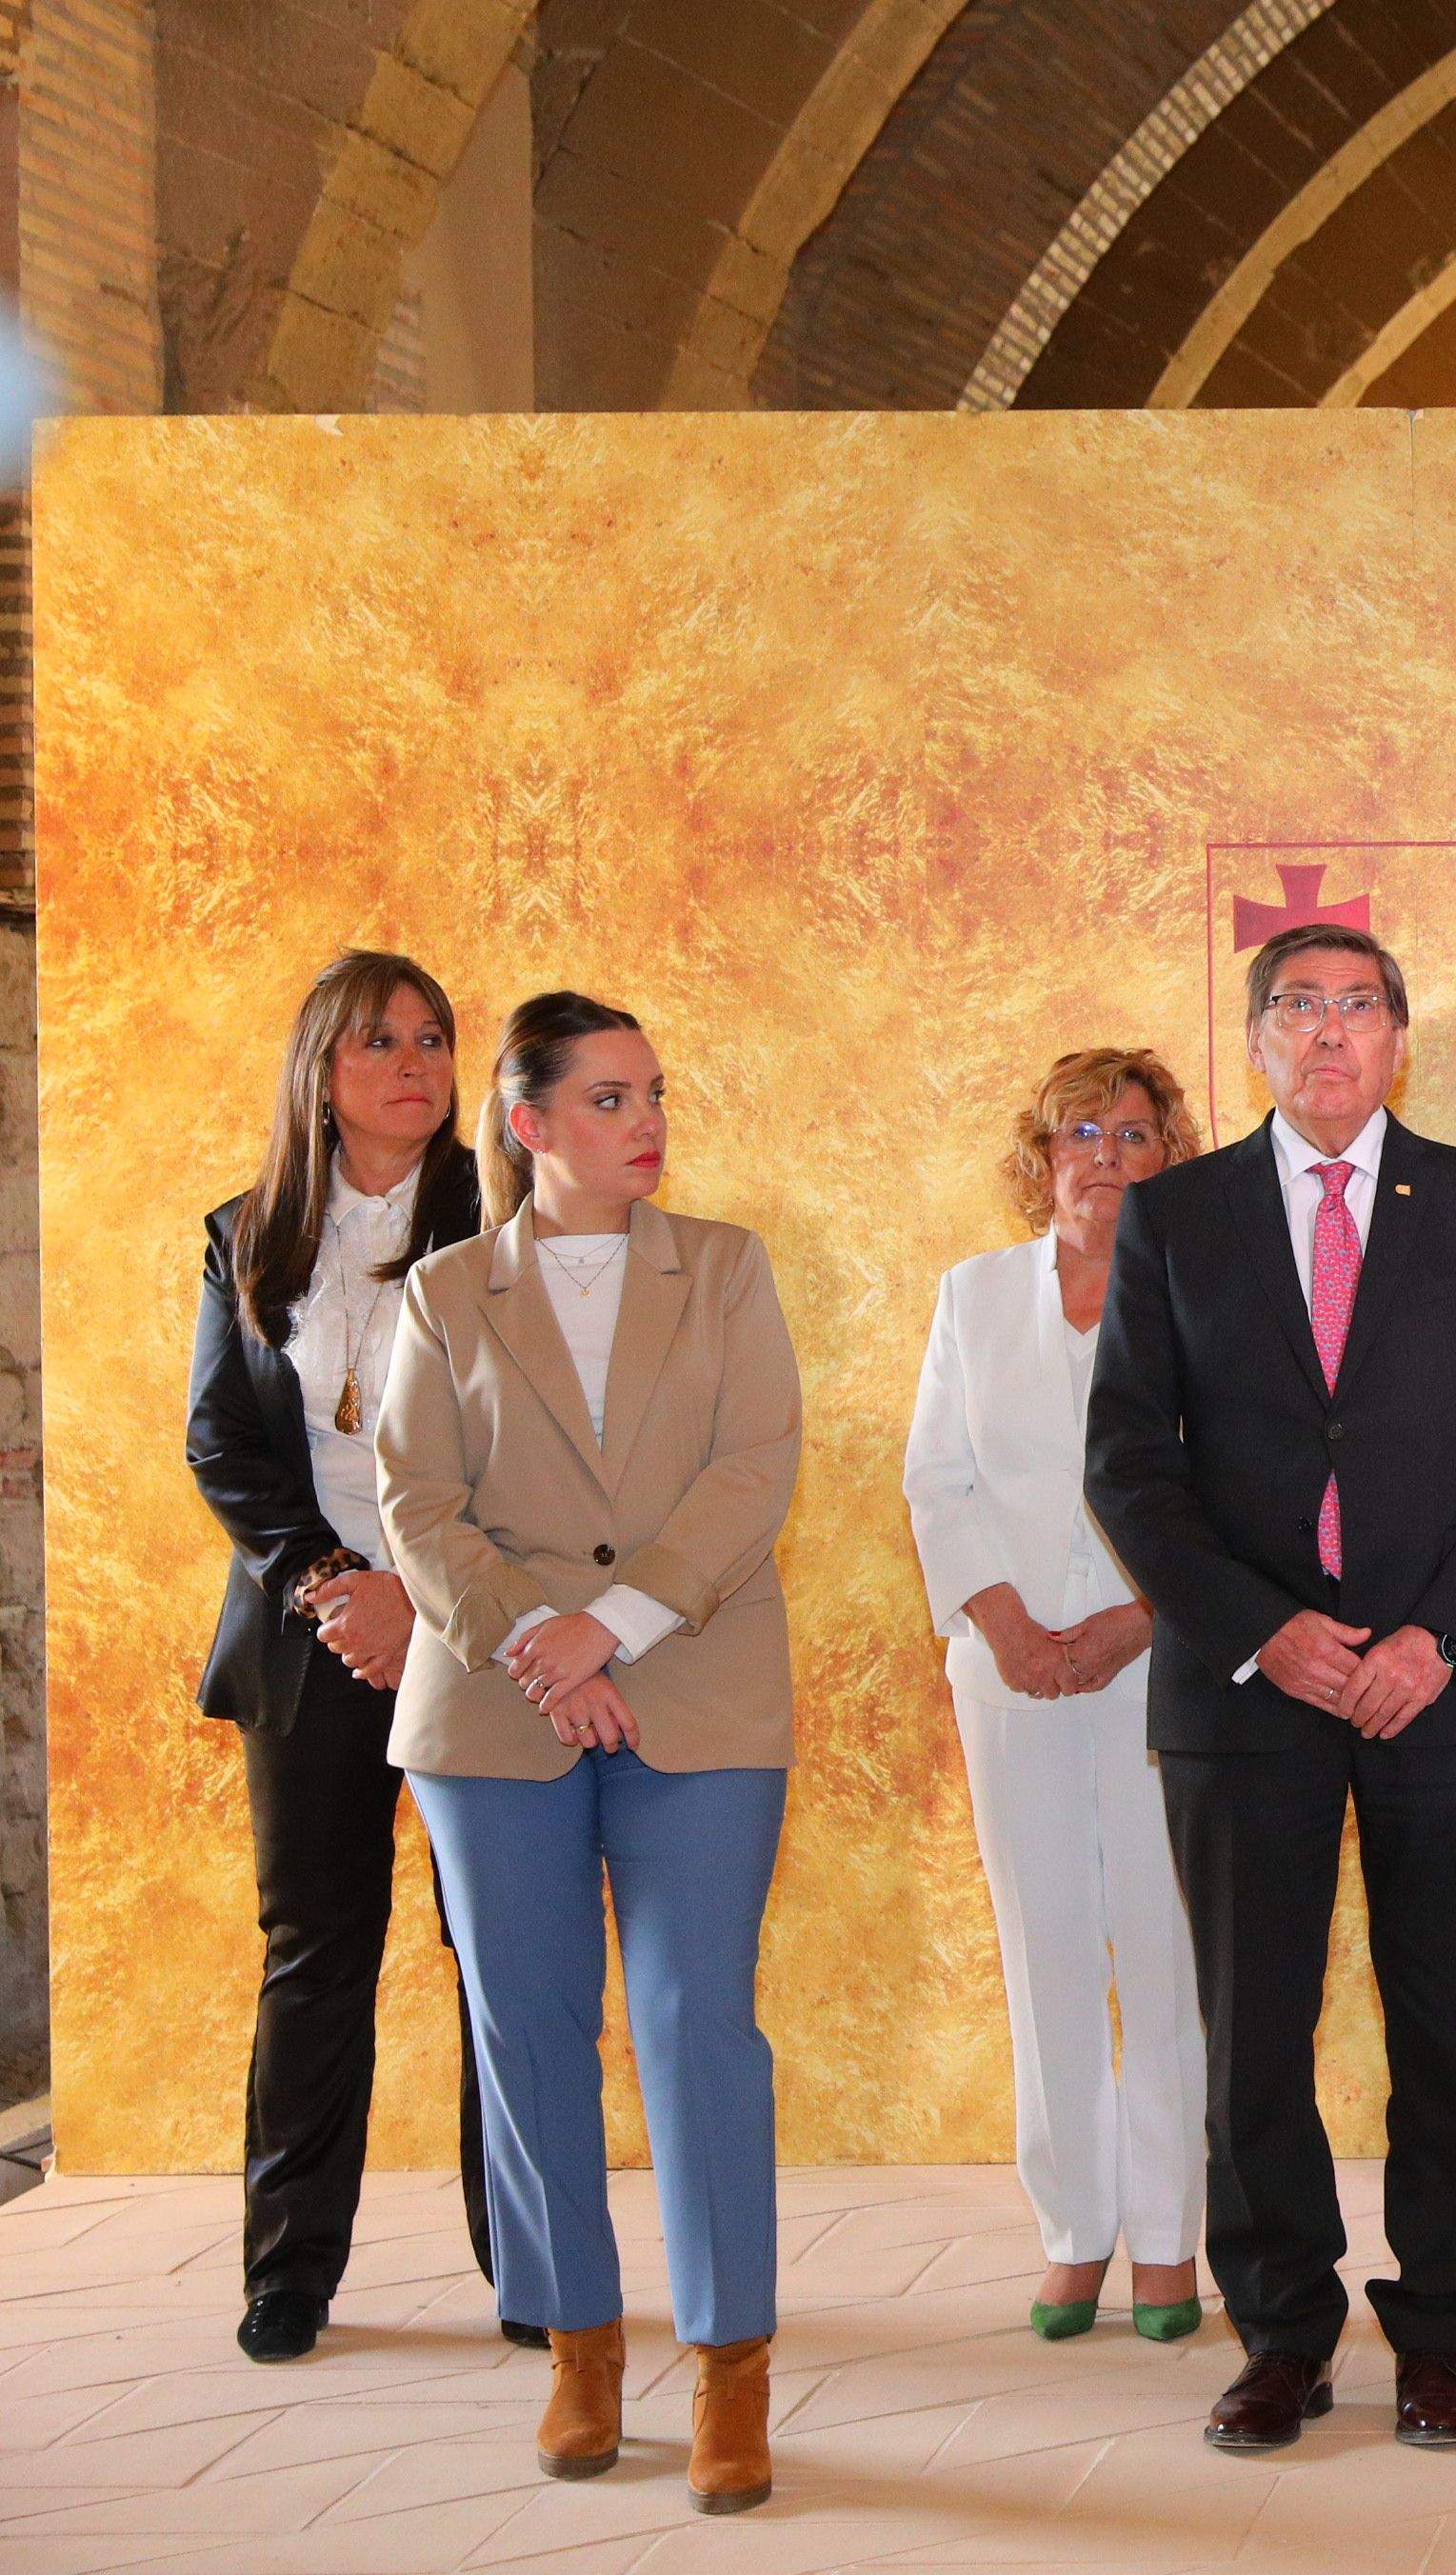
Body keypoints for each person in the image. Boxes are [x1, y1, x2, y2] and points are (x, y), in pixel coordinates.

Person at [1087, 923, 1456, 2457]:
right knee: (1255, 2028)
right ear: (1254, 1043)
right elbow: (1131, 1466)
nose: (1329, 1035)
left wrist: (1437, 1640)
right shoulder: (1175, 1217)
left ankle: (1436, 2331)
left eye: (1358, 1008)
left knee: (1447, 2022)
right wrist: (1263, 1629)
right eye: (1296, 1009)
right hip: (1249, 1691)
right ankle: (1283, 2334)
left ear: (1397, 1038)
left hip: (1448, 1685)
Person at [380, 992, 804, 2511]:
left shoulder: (730, 1269)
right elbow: (418, 1504)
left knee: (701, 2029)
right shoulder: (442, 1290)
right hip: (496, 1710)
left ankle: (731, 2373)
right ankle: (580, 2356)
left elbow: (756, 1467)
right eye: (612, 1099)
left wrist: (610, 1626)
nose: (649, 1124)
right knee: (528, 2032)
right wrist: (540, 1650)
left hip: (698, 1685)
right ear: (529, 1120)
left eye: (656, 1096)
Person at [185, 949, 504, 2363]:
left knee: (501, 1955)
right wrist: (334, 1586)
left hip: (480, 1642)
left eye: (433, 1039)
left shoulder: (502, 1232)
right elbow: (223, 1446)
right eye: (379, 1040)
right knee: (317, 1955)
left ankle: (536, 2266)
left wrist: (423, 1603)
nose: (413, 1064)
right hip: (314, 1644)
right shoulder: (245, 1234)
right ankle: (288, 2274)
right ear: (321, 1067)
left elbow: (535, 1458)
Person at [905, 1048, 1210, 2346]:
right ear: (1039, 1159)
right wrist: (1013, 1629)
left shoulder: (1211, 1297)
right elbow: (939, 1481)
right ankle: (1073, 2234)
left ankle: (1167, 2242)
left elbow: (1238, 1488)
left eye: (1133, 1136)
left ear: (1165, 1159)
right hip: (1011, 1665)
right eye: (1079, 1132)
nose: (1104, 1156)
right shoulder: (974, 1299)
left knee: (1164, 1948)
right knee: (1045, 1951)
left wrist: (1144, 1620)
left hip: (1169, 1656)